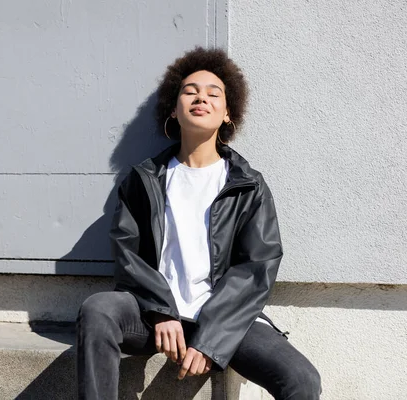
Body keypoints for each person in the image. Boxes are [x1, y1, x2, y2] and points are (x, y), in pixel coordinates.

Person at [76, 47, 321, 400]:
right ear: (173, 110)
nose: (200, 97)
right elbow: (128, 253)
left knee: (301, 379)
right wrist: (161, 311)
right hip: (152, 315)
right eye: (189, 91)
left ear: (227, 114)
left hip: (226, 318)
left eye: (213, 93)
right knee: (97, 309)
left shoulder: (248, 185)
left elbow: (258, 267)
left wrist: (211, 339)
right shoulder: (144, 179)